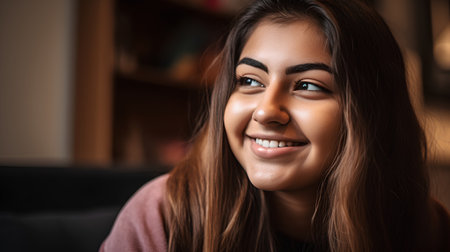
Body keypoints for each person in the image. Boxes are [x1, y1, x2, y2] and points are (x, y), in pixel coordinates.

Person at [101, 0, 450, 251]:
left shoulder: (426, 228)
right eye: (250, 81)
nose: (267, 111)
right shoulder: (165, 216)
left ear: (372, 113)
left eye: (309, 85)